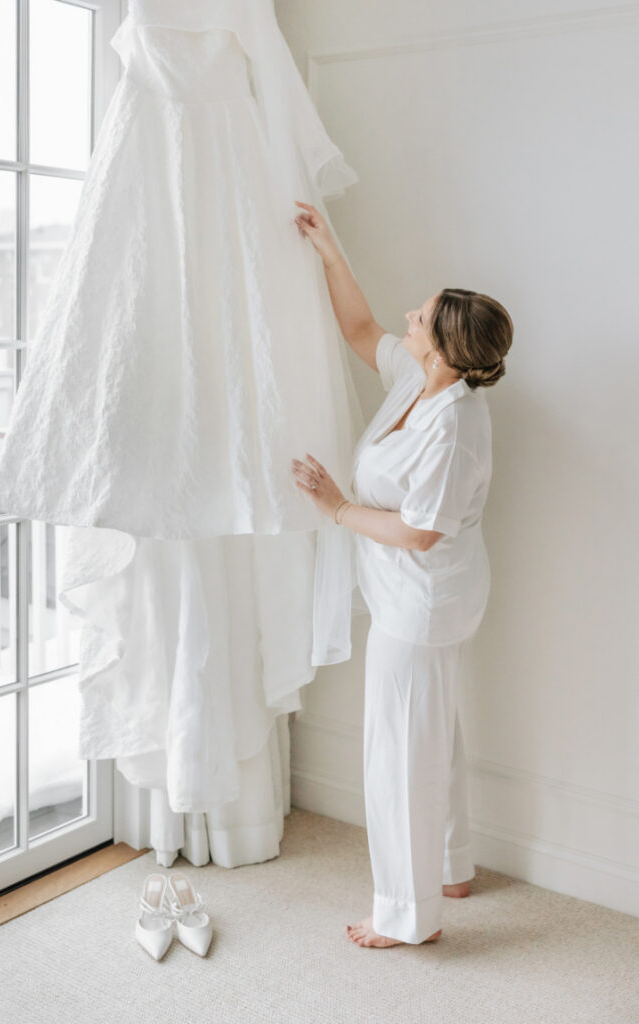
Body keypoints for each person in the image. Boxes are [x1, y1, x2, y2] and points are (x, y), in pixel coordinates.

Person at [291, 200, 513, 948]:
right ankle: (450, 866)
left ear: (446, 349)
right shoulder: (417, 380)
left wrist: (335, 508)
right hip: (426, 600)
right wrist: (328, 251)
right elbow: (358, 330)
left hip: (423, 605)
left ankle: (407, 915)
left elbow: (419, 533)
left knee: (399, 756)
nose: (406, 319)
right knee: (433, 737)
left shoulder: (452, 426)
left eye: (418, 318)